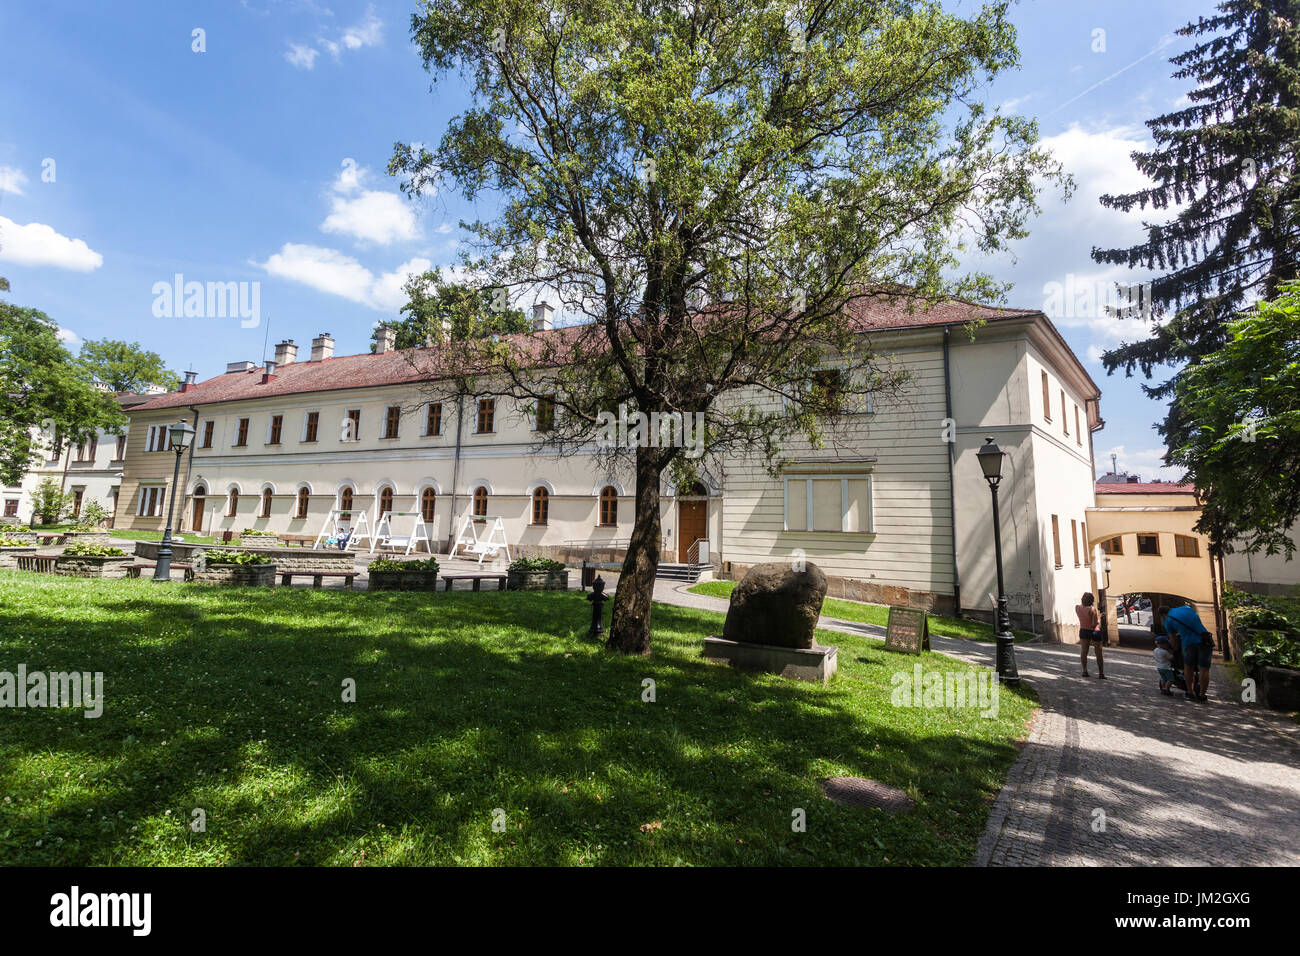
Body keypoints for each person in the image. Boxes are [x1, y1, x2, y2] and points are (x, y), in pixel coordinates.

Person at [1158, 604, 1213, 702]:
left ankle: (1190, 693)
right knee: (1204, 669)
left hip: (1188, 643)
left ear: (1163, 615)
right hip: (1204, 640)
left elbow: (1173, 639)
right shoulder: (1186, 608)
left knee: (1188, 667)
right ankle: (1202, 695)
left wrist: (1173, 649)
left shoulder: (1168, 620)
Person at [1076, 591, 1105, 678]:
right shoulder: (1092, 609)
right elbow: (1094, 624)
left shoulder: (1077, 608)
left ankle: (1085, 671)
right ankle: (1101, 673)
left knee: (1084, 652)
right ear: (1092, 600)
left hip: (1083, 630)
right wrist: (1099, 617)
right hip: (1094, 632)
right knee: (1098, 652)